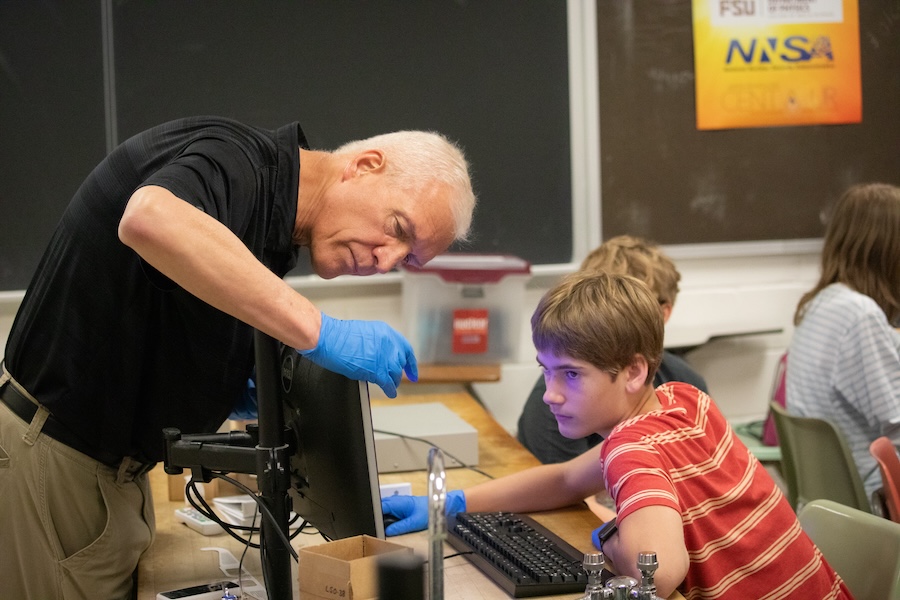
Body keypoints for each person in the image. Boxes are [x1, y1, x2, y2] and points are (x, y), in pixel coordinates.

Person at [0, 116, 475, 600]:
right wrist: (319, 330)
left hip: (109, 472)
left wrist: (231, 382)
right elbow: (149, 218)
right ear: (365, 166)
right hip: (60, 464)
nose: (388, 260)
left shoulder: (271, 223)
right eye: (398, 228)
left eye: (409, 259)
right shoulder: (238, 161)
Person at [383, 272, 850, 599]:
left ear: (632, 371)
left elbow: (660, 575)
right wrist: (449, 504)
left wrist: (609, 535)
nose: (551, 395)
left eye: (570, 375)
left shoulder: (631, 448)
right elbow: (566, 479)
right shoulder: (684, 399)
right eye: (547, 372)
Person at [517, 235, 708, 464]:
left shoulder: (686, 388)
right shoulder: (555, 402)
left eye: (633, 302)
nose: (552, 394)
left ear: (662, 312)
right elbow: (565, 482)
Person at [786, 182, 900, 504]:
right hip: (872, 502)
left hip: (829, 504)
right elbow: (896, 424)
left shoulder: (822, 304)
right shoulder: (860, 315)